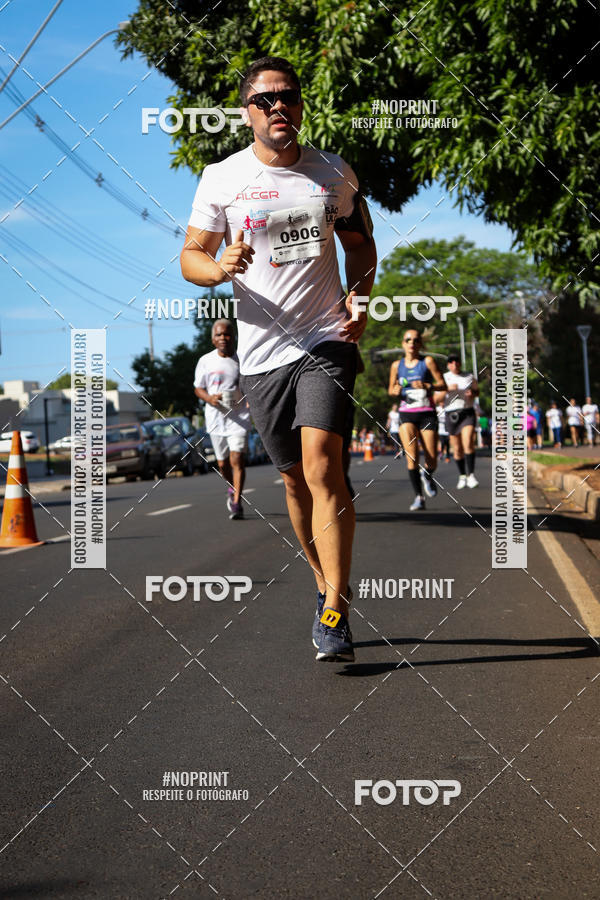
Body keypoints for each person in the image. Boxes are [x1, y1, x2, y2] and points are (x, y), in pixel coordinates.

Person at [180, 56, 377, 662]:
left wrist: (360, 299)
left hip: (325, 338)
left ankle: (336, 608)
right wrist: (219, 267)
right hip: (262, 353)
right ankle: (323, 583)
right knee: (293, 480)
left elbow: (360, 244)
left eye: (287, 96)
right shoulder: (222, 177)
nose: (277, 107)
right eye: (264, 100)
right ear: (247, 113)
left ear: (300, 104)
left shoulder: (333, 172)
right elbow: (189, 258)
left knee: (322, 467)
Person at [193, 320, 251, 519]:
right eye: (218, 335)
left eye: (227, 334)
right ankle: (231, 488)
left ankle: (237, 503)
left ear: (234, 337)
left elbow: (252, 385)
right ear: (213, 339)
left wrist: (248, 400)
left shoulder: (242, 359)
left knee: (237, 459)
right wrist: (209, 398)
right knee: (223, 465)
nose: (223, 338)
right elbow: (198, 388)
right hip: (216, 419)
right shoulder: (205, 361)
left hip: (239, 417)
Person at [388, 329, 446, 510]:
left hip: (427, 412)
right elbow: (391, 389)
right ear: (403, 343)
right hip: (407, 414)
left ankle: (427, 474)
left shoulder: (427, 362)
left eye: (415, 340)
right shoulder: (396, 365)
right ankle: (419, 497)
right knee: (412, 457)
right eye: (408, 340)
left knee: (432, 459)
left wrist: (428, 385)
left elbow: (442, 384)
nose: (411, 343)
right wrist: (395, 391)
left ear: (420, 344)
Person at [442, 353, 480, 489]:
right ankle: (462, 475)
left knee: (468, 442)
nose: (454, 364)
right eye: (451, 362)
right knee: (457, 448)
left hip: (467, 412)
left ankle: (471, 475)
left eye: (456, 361)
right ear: (448, 365)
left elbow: (477, 391)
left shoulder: (469, 376)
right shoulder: (444, 378)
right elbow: (436, 398)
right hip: (451, 414)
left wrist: (473, 393)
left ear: (460, 363)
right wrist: (446, 389)